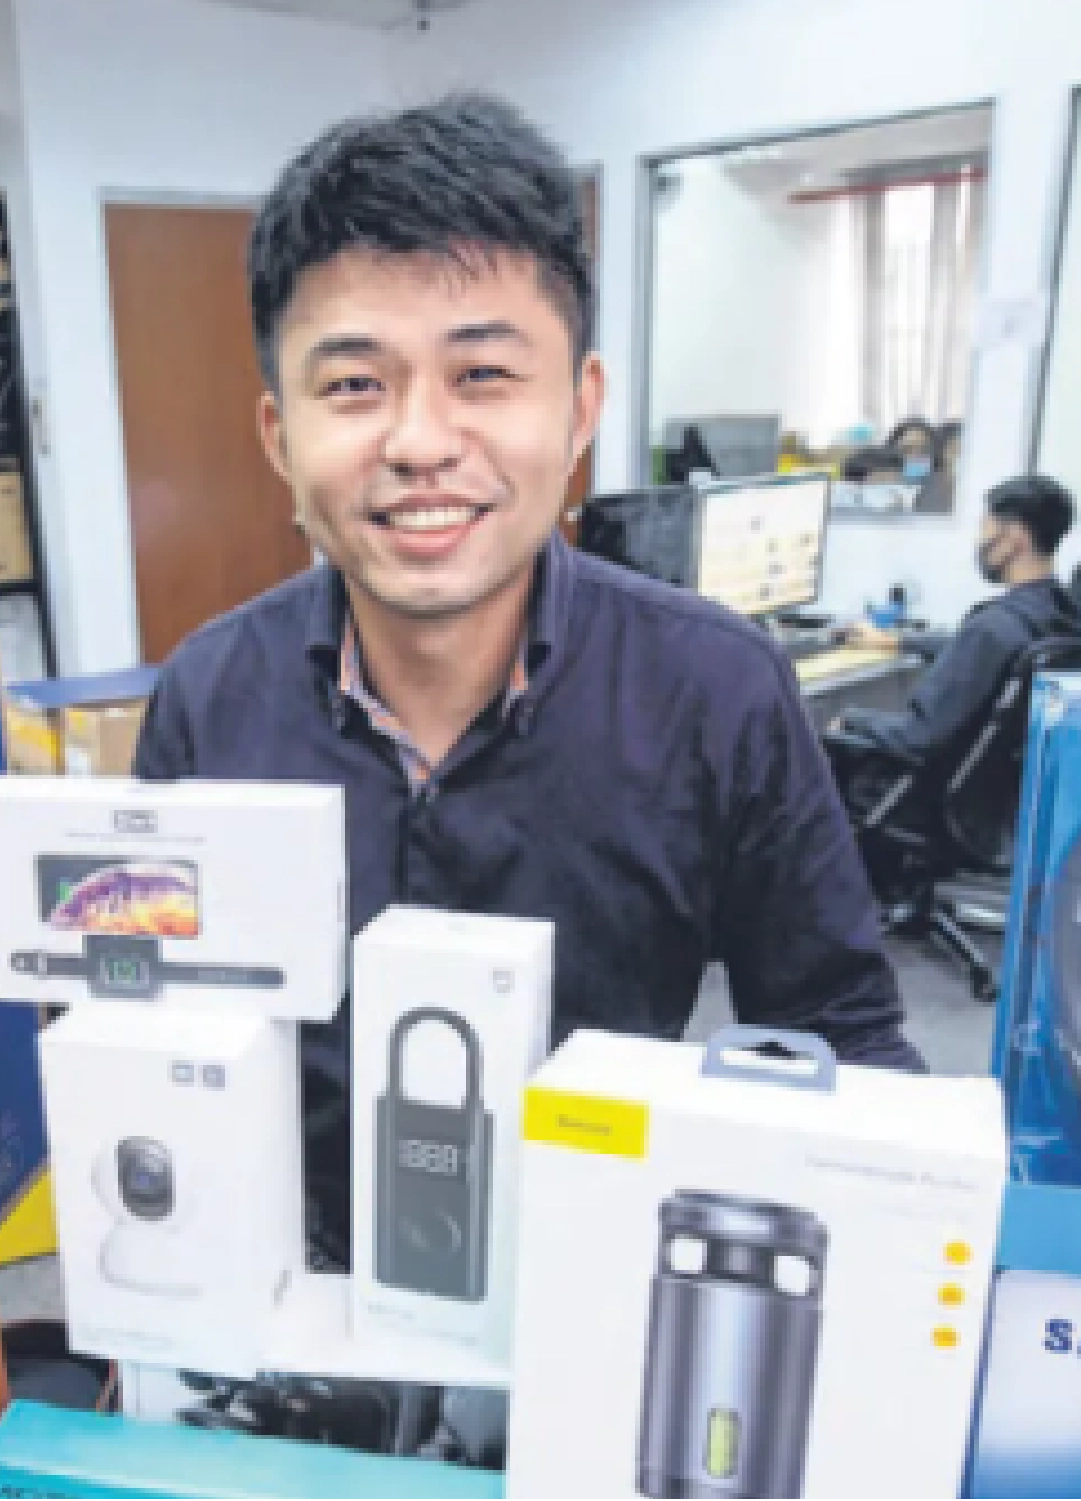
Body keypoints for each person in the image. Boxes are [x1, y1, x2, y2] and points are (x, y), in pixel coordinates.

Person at [130, 95, 922, 1264]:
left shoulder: (717, 690)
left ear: (580, 408)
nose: (417, 441)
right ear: (276, 435)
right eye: (353, 386)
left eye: (484, 374)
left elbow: (841, 1039)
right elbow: (155, 1053)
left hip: (603, 1282)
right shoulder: (209, 698)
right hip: (304, 1301)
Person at [835, 474, 1081, 766]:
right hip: (1004, 788)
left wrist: (850, 719)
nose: (979, 541)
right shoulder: (1069, 614)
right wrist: (898, 640)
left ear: (1013, 539)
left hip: (922, 791)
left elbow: (919, 737)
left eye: (984, 527)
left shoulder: (991, 628)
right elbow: (986, 647)